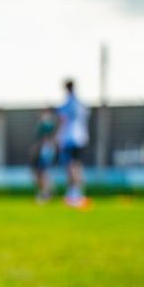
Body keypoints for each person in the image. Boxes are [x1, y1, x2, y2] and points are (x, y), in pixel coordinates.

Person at [56, 79, 90, 208]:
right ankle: (77, 193)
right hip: (81, 137)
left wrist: (58, 137)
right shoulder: (80, 103)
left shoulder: (68, 104)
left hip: (70, 138)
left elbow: (63, 120)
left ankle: (74, 194)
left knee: (71, 166)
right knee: (77, 166)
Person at [30, 109, 58, 203]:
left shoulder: (47, 125)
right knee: (39, 173)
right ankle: (45, 192)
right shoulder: (42, 125)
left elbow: (49, 139)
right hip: (42, 150)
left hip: (45, 151)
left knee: (44, 173)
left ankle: (47, 193)